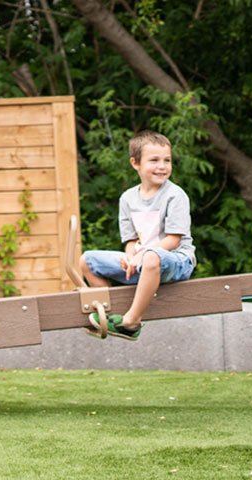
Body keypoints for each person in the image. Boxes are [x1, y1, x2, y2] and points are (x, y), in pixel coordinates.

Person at [78, 130, 197, 340]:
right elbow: (132, 240)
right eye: (154, 160)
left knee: (152, 257)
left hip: (176, 260)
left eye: (167, 160)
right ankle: (111, 316)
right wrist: (132, 256)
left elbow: (174, 240)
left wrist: (143, 255)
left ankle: (131, 322)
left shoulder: (175, 195)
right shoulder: (128, 198)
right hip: (144, 261)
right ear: (136, 163)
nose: (162, 166)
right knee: (87, 261)